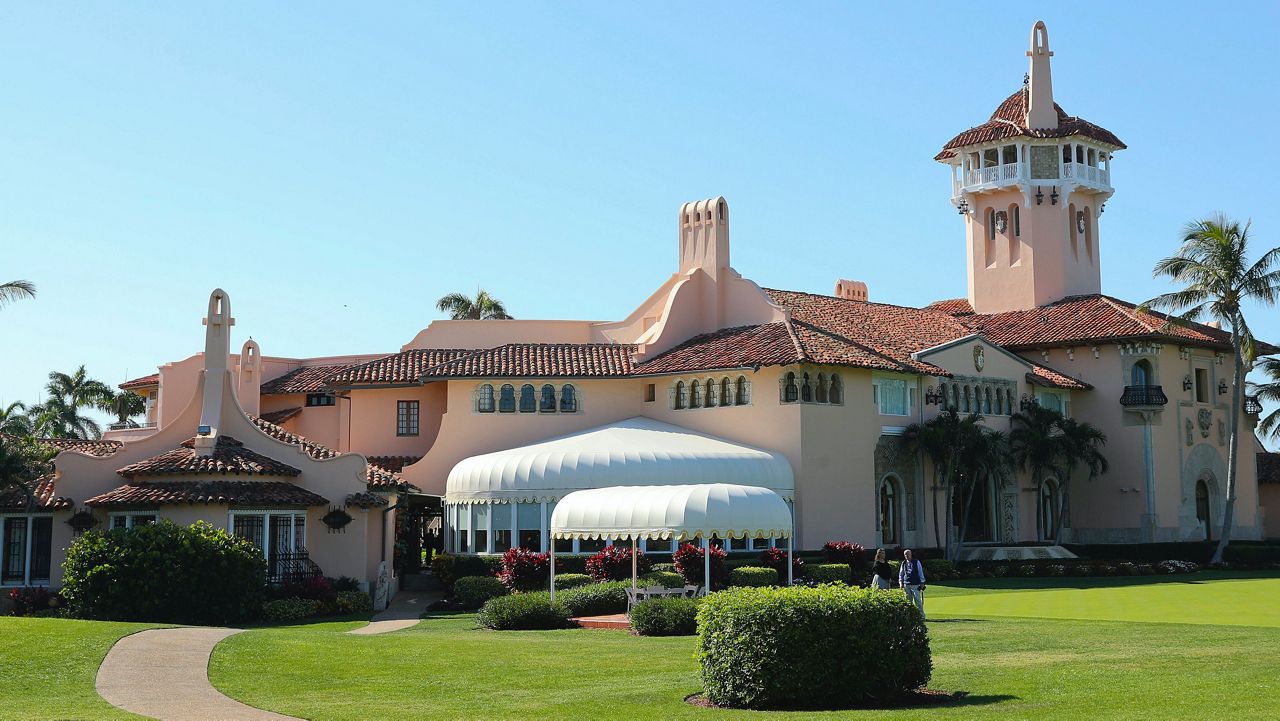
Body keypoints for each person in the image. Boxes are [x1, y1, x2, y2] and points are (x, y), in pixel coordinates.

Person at [898, 548, 927, 618]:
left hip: (915, 584)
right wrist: (900, 582)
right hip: (906, 584)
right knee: (908, 601)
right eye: (905, 554)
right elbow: (901, 574)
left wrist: (922, 582)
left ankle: (921, 616)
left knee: (918, 601)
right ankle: (910, 616)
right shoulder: (903, 563)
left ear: (911, 554)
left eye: (908, 554)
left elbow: (920, 572)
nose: (906, 556)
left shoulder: (916, 562)